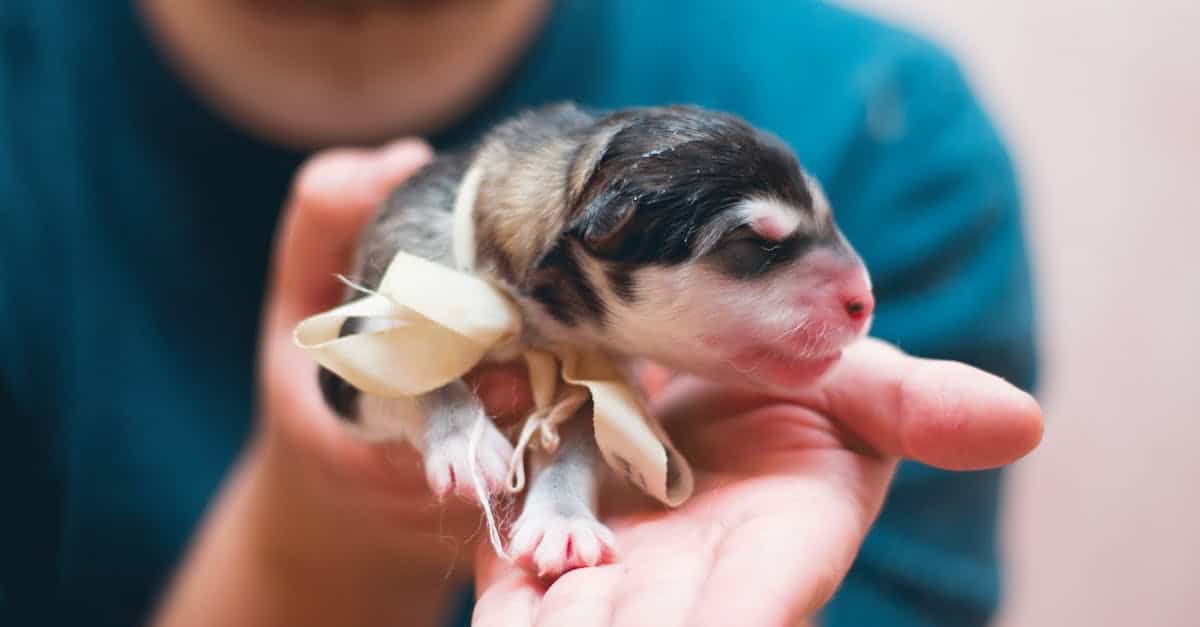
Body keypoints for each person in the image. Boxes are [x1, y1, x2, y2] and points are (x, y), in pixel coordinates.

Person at [0, 1, 1042, 626]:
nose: (849, 297)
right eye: (752, 251)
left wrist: (567, 499)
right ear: (602, 237)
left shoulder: (888, 130)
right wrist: (322, 548)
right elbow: (396, 368)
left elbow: (589, 391)